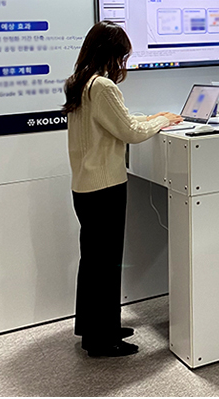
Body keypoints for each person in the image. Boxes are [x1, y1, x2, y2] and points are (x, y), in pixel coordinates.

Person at [63, 21, 182, 358]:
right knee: (106, 264)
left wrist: (153, 117)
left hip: (84, 187)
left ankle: (94, 327)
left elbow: (118, 123)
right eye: (123, 56)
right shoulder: (103, 86)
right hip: (105, 187)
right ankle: (103, 340)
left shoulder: (80, 83)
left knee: (93, 262)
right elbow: (129, 132)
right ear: (111, 53)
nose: (123, 63)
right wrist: (163, 121)